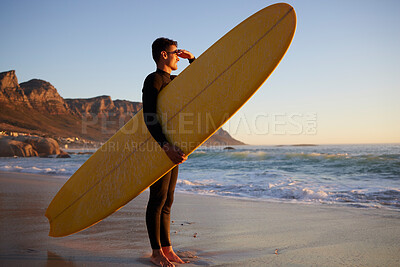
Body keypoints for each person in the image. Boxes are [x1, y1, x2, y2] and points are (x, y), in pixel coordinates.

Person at [142, 37, 195, 267]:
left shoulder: (172, 80)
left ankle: (167, 248)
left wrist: (192, 58)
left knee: (168, 200)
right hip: (158, 146)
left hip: (169, 146)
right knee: (157, 199)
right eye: (176, 52)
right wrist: (165, 145)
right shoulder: (153, 79)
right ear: (163, 54)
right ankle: (156, 253)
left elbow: (200, 81)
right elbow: (149, 117)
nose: (178, 56)